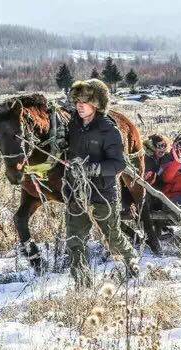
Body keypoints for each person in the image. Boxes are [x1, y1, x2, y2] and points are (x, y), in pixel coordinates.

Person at [64, 79, 139, 288]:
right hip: (76, 193)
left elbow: (118, 164)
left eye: (85, 101)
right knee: (74, 241)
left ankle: (131, 260)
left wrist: (92, 168)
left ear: (97, 103)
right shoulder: (73, 125)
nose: (79, 105)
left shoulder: (108, 129)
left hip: (103, 193)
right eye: (77, 100)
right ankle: (83, 284)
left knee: (113, 239)